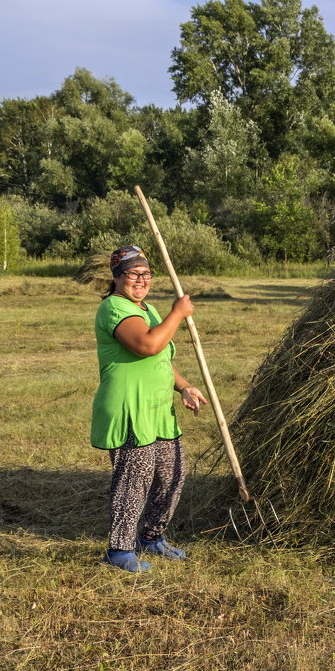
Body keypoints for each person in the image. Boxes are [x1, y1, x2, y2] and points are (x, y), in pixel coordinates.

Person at [91, 245, 207, 572]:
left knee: (171, 474)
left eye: (146, 274)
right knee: (135, 480)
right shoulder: (114, 308)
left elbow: (162, 357)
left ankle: (151, 538)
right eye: (132, 274)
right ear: (117, 278)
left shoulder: (147, 309)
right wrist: (178, 313)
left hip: (157, 410)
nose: (140, 280)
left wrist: (184, 386)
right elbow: (147, 345)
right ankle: (119, 552)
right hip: (130, 409)